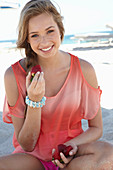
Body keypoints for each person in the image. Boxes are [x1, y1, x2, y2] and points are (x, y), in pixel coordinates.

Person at [0, 0, 113, 169]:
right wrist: (35, 101)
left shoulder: (84, 69)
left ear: (60, 30)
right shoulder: (13, 75)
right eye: (35, 35)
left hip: (72, 156)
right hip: (32, 160)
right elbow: (27, 144)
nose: (44, 41)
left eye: (50, 31)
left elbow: (96, 128)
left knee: (108, 154)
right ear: (27, 39)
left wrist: (70, 147)